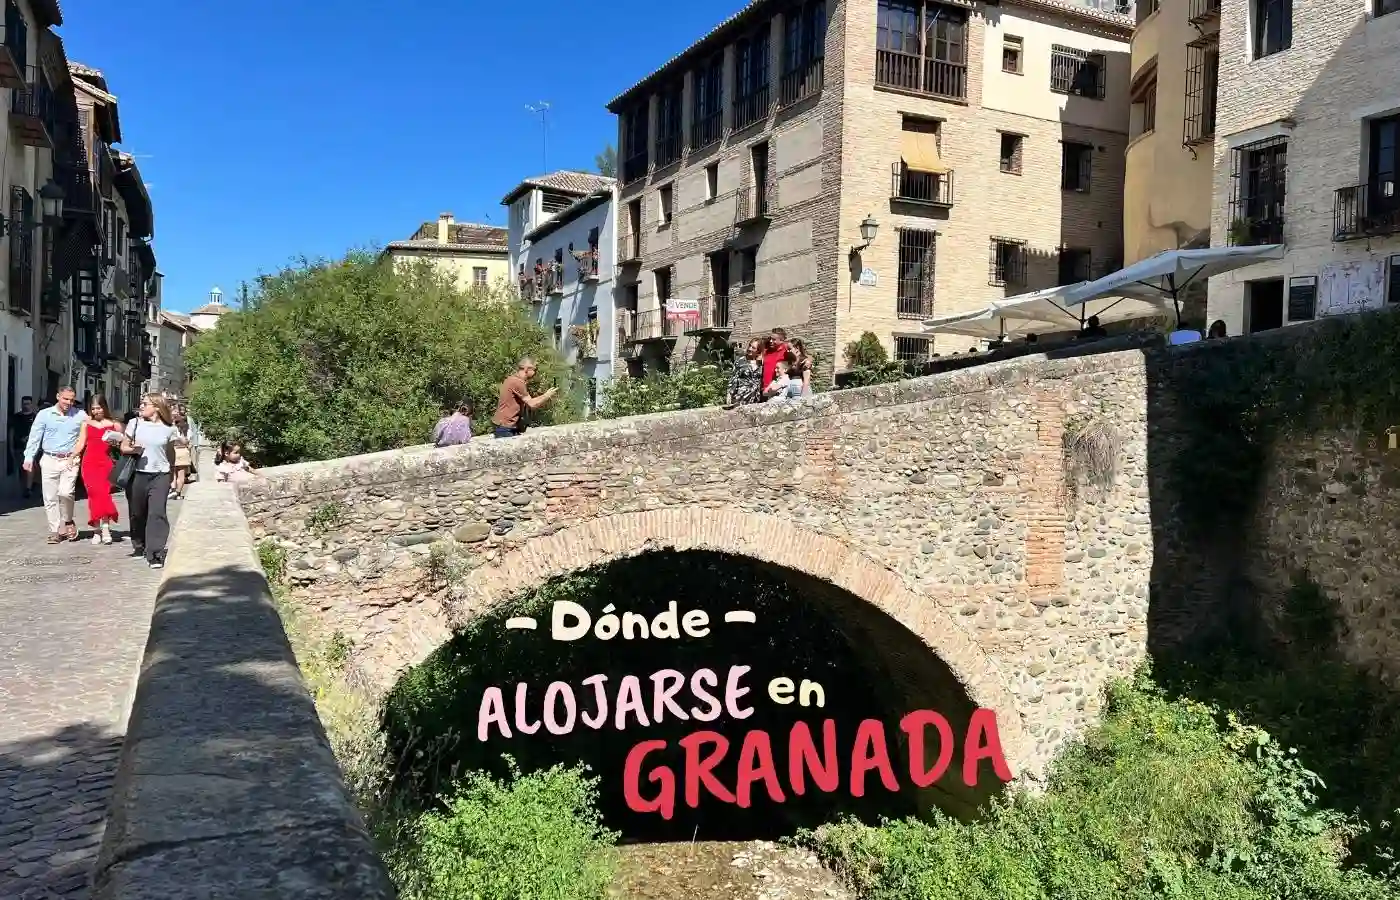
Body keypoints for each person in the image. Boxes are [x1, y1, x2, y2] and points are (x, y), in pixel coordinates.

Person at [22, 386, 87, 544]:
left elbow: (91, 430)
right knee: (50, 496)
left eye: (71, 400)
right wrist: (29, 457)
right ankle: (55, 530)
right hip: (49, 458)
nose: (68, 403)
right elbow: (35, 436)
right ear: (58, 396)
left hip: (70, 460)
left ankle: (68, 520)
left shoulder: (80, 415)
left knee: (66, 492)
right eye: (65, 399)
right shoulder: (44, 415)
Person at [121, 394, 178, 569]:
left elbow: (170, 453)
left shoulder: (169, 429)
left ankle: (155, 553)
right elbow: (123, 447)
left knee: (157, 513)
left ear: (157, 407)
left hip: (160, 475)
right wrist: (133, 449)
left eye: (145, 404)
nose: (141, 406)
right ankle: (139, 545)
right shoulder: (135, 424)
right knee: (137, 513)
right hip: (138, 474)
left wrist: (172, 474)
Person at [71, 394, 122, 545]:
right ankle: (96, 530)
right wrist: (71, 456)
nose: (95, 411)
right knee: (94, 494)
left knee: (104, 494)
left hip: (105, 463)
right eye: (93, 409)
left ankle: (105, 527)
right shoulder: (86, 424)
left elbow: (123, 444)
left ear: (104, 407)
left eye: (98, 408)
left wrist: (116, 442)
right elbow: (80, 443)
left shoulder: (114, 424)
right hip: (89, 463)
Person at [491, 357, 556, 438]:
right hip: (505, 427)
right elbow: (532, 404)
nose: (535, 373)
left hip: (505, 425)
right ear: (527, 369)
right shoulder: (517, 382)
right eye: (534, 370)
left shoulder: (512, 379)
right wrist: (547, 395)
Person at [9, 395, 35, 496]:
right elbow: (11, 432)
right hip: (18, 447)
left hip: (31, 447)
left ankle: (28, 489)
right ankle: (24, 487)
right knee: (21, 469)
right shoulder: (16, 417)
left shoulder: (35, 417)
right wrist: (11, 447)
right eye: (24, 404)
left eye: (28, 404)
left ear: (31, 404)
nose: (26, 406)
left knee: (30, 467)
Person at [726, 338, 764, 407]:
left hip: (756, 399)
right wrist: (729, 393)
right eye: (749, 346)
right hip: (741, 397)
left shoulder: (762, 363)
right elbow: (734, 378)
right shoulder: (741, 361)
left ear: (758, 351)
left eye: (753, 348)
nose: (749, 349)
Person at [759, 328, 789, 394]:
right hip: (765, 389)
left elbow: (802, 355)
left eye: (774, 339)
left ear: (781, 340)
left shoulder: (786, 350)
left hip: (777, 389)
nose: (771, 341)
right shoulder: (767, 351)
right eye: (770, 338)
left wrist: (808, 361)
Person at [170, 417, 192, 499]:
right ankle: (178, 493)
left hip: (174, 450)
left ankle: (173, 490)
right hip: (183, 451)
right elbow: (188, 443)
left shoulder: (172, 430)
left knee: (173, 473)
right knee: (181, 474)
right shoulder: (188, 431)